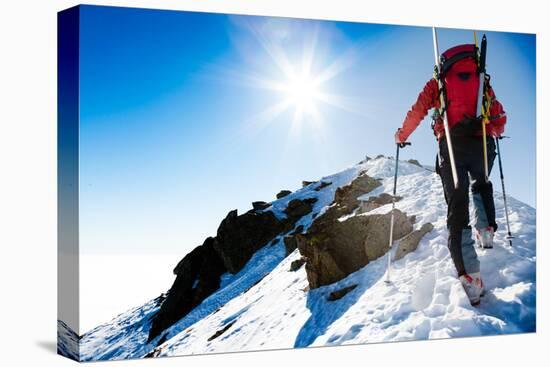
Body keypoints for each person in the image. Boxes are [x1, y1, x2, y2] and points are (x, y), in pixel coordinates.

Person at [395, 43, 506, 305]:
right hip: (481, 145)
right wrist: (496, 132)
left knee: (458, 208)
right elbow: (498, 115)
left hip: (452, 147)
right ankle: (486, 230)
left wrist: (401, 135)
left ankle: (470, 276)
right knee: (482, 183)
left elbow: (418, 109)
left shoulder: (438, 82)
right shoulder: (481, 79)